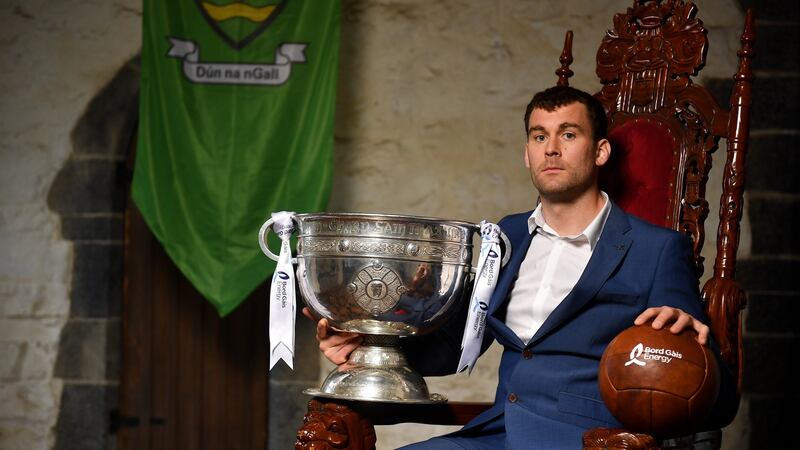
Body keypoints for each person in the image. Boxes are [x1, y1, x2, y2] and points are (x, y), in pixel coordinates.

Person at [303, 86, 738, 449]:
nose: (551, 148)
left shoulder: (656, 249)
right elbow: (457, 347)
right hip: (497, 432)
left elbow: (711, 397)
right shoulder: (506, 237)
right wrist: (368, 348)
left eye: (568, 135)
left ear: (601, 151)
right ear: (526, 154)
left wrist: (687, 345)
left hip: (591, 439)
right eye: (538, 136)